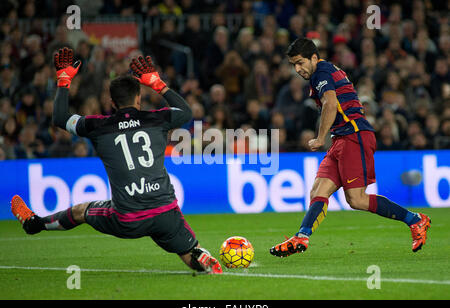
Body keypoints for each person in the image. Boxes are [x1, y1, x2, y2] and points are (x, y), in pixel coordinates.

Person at [10, 47, 222, 274]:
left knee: (82, 210)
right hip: (165, 212)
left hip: (128, 217)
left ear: (111, 102)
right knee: (189, 251)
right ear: (139, 99)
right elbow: (186, 112)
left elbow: (60, 118)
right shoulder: (157, 118)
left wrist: (63, 81)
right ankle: (200, 258)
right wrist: (158, 84)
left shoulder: (97, 126)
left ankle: (36, 224)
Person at [269, 38, 431, 257]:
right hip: (341, 139)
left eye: (300, 63)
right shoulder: (323, 72)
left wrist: (319, 138)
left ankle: (416, 220)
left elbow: (330, 103)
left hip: (355, 135)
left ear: (314, 58)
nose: (297, 69)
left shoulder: (321, 72)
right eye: (293, 65)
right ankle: (301, 237)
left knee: (356, 199)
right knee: (318, 190)